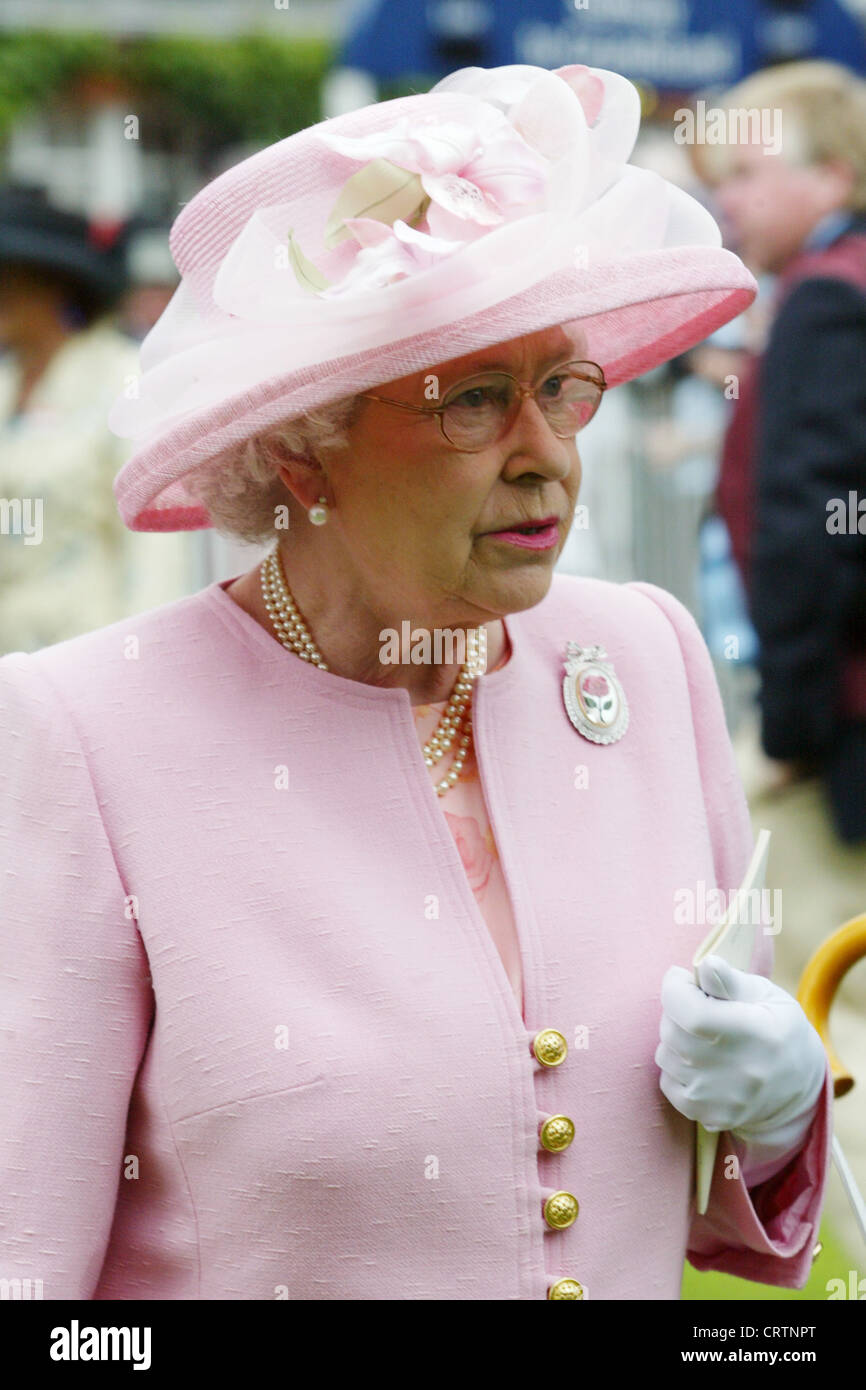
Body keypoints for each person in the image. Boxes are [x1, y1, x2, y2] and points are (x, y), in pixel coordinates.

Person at [0, 62, 832, 1301]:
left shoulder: (646, 662)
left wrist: (774, 1122)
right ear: (301, 443)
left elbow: (727, 1205)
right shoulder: (86, 734)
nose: (546, 455)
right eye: (475, 401)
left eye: (561, 387)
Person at [706, 61, 866, 1267]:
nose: (725, 201)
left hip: (844, 722)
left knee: (835, 988)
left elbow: (809, 523)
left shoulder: (824, 300)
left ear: (833, 171)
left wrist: (790, 726)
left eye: (747, 171)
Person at [0, 184, 198, 654]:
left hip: (89, 657)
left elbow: (158, 555)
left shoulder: (123, 379)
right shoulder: (7, 382)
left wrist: (145, 671)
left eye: (5, 277)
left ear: (52, 283)